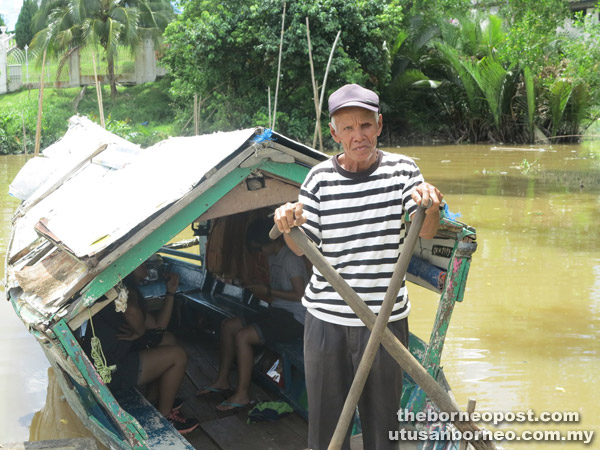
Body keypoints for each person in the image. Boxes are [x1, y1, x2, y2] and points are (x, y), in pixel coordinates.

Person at [273, 84, 443, 450]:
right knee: (326, 430)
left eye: (365, 125)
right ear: (334, 134)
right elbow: (301, 249)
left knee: (383, 429)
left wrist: (432, 205)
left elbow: (425, 230)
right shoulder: (318, 179)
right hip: (326, 322)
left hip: (386, 320)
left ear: (379, 125)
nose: (358, 135)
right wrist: (290, 223)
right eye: (347, 128)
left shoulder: (404, 171)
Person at [197, 218, 309, 413]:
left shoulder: (291, 259)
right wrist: (257, 286)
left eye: (260, 248)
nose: (260, 253)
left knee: (243, 336)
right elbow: (277, 290)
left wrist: (266, 289)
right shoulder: (274, 256)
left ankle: (242, 395)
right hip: (278, 311)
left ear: (272, 241)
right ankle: (222, 380)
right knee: (229, 325)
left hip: (295, 318)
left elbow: (301, 295)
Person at [84, 261, 199, 434]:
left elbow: (158, 326)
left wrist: (170, 292)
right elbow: (131, 312)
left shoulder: (124, 288)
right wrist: (138, 332)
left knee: (167, 339)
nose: (146, 265)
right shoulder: (122, 290)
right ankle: (166, 416)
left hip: (113, 358)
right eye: (142, 262)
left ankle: (155, 399)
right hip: (109, 371)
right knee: (178, 356)